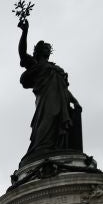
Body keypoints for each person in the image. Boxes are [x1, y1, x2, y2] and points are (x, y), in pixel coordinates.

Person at [16, 17, 82, 161]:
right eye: (44, 48)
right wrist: (25, 32)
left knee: (59, 124)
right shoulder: (35, 64)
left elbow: (63, 89)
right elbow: (22, 52)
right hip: (45, 101)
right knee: (46, 122)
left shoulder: (56, 69)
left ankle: (56, 149)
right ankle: (41, 149)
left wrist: (75, 101)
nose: (47, 50)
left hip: (61, 101)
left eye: (48, 48)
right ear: (38, 51)